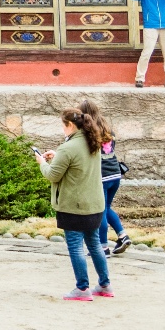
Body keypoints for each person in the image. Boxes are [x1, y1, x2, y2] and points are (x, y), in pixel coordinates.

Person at [38, 106, 112, 301]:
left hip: (73, 205)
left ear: (70, 125)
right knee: (94, 244)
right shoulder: (93, 142)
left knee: (75, 246)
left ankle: (82, 288)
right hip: (94, 204)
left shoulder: (68, 148)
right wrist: (58, 157)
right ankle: (105, 284)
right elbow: (77, 165)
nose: (62, 129)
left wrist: (42, 163)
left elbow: (53, 175)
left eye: (63, 125)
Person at [83, 98, 130, 256]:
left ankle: (103, 247)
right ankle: (123, 236)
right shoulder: (108, 130)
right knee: (107, 207)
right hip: (115, 175)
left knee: (100, 211)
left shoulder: (89, 133)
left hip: (101, 177)